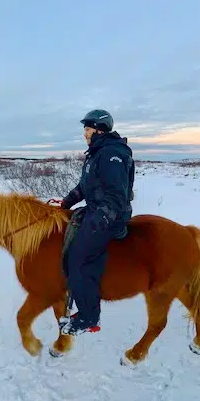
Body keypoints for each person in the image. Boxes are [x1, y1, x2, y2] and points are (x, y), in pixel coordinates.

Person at [55, 109, 135, 336]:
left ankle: (89, 317)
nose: (84, 134)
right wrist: (68, 201)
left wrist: (101, 219)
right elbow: (87, 186)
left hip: (111, 216)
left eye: (87, 129)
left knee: (78, 259)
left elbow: (117, 194)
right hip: (95, 210)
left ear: (99, 130)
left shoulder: (112, 154)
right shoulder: (97, 153)